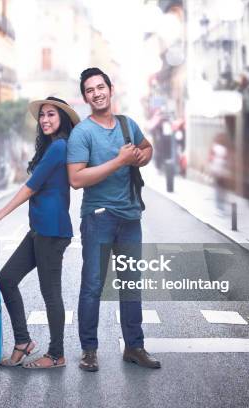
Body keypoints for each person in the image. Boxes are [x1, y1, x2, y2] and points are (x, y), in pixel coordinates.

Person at [67, 67, 160, 371]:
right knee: (93, 285)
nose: (97, 93)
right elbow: (77, 179)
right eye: (90, 90)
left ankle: (134, 347)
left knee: (131, 285)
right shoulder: (82, 133)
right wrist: (119, 160)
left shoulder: (126, 124)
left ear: (110, 88)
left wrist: (141, 157)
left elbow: (147, 148)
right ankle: (89, 351)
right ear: (85, 97)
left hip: (131, 218)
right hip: (98, 219)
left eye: (100, 87)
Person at [0, 96, 80, 369]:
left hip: (52, 232)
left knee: (51, 294)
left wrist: (1, 213)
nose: (46, 120)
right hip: (40, 230)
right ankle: (23, 342)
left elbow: (32, 186)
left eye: (51, 114)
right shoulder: (51, 148)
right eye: (42, 115)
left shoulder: (60, 147)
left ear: (62, 118)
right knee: (6, 279)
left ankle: (56, 354)